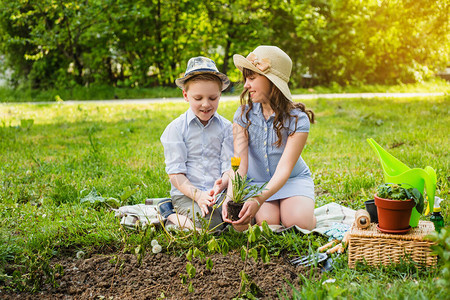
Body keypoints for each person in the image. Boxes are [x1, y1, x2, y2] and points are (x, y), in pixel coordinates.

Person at [222, 46, 316, 231]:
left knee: (298, 224)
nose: (246, 85)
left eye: (252, 78)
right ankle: (278, 211)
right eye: (246, 79)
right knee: (268, 223)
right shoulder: (243, 116)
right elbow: (239, 164)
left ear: (272, 81)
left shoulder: (298, 119)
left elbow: (284, 169)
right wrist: (230, 198)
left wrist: (258, 199)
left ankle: (308, 216)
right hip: (257, 183)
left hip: (292, 180)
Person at [160, 56, 233, 230]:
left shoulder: (226, 128)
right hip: (188, 194)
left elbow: (229, 167)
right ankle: (167, 212)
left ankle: (190, 218)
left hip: (217, 193)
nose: (206, 104)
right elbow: (176, 175)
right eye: (198, 98)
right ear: (186, 95)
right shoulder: (176, 129)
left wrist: (221, 184)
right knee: (208, 225)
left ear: (220, 95)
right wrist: (199, 196)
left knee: (237, 217)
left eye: (212, 98)